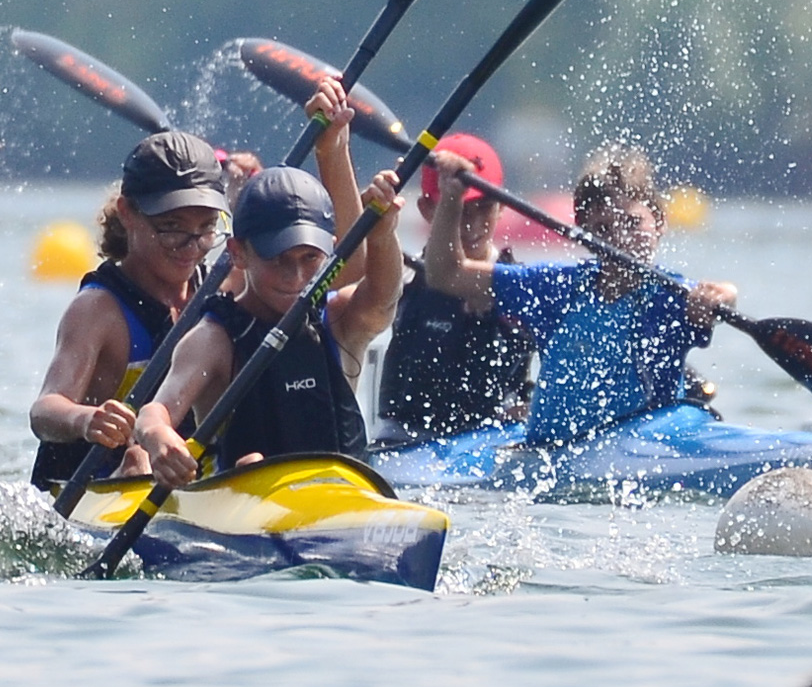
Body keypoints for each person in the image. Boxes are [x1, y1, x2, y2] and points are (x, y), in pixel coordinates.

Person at [423, 144, 737, 443]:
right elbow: (446, 274)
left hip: (645, 450)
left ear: (660, 223)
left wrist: (725, 294)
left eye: (632, 222)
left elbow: (719, 296)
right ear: (584, 236)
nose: (619, 239)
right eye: (602, 229)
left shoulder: (674, 297)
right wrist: (452, 197)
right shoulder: (554, 287)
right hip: (548, 453)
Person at [135, 163, 404, 488]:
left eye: (309, 258)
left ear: (331, 249)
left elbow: (383, 298)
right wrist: (158, 436)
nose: (295, 277)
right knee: (252, 464)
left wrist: (384, 235)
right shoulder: (213, 339)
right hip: (246, 502)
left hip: (346, 499)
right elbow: (154, 412)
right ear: (238, 254)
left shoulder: (339, 320)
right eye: (278, 259)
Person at [27, 130, 230, 490]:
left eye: (207, 229)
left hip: (179, 477)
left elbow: (343, 279)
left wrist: (331, 147)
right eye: (172, 228)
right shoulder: (98, 309)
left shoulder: (216, 287)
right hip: (95, 485)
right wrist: (86, 420)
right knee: (137, 460)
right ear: (127, 214)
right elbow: (44, 411)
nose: (192, 247)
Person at [376, 133, 537, 443]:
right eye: (460, 209)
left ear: (502, 206)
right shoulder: (403, 272)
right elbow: (365, 260)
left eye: (484, 208)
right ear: (426, 209)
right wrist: (380, 222)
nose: (473, 225)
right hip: (406, 441)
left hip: (497, 441)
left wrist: (533, 407)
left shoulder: (520, 283)